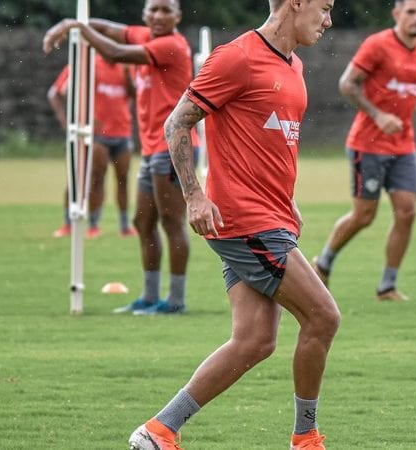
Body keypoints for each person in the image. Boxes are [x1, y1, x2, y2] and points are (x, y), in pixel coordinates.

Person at [125, 0, 339, 448]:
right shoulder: (237, 56)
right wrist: (194, 195)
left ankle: (159, 431)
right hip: (244, 219)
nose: (328, 20)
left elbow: (268, 142)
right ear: (294, 3)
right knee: (323, 317)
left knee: (255, 341)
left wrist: (289, 200)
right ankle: (307, 439)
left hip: (271, 215)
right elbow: (177, 122)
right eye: (324, 8)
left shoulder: (295, 66)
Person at [43, 0, 199, 315]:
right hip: (153, 146)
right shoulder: (145, 35)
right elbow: (109, 29)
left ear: (178, 17)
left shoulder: (171, 45)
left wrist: (79, 29)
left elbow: (114, 52)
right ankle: (150, 296)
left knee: (172, 222)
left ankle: (176, 300)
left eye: (165, 10)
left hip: (174, 147)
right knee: (144, 222)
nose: (158, 16)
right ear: (143, 14)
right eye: (152, 9)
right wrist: (68, 23)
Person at [312, 0, 416, 302]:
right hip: (367, 145)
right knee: (364, 215)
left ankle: (387, 286)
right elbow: (347, 84)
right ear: (397, 14)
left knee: (407, 212)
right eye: (410, 12)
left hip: (404, 145)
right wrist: (378, 115)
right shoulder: (378, 45)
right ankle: (323, 262)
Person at [49, 53, 138, 239]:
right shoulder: (86, 64)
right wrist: (66, 122)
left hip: (123, 132)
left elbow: (135, 95)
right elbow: (55, 93)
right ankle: (87, 225)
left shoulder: (126, 66)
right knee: (93, 178)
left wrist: (128, 75)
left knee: (123, 179)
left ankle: (124, 226)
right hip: (97, 135)